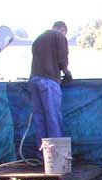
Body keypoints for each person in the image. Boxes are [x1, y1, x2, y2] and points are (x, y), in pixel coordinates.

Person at [29, 21, 72, 151]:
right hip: (48, 82)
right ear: (62, 30)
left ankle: (42, 156)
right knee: (53, 117)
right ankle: (57, 155)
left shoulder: (38, 39)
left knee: (39, 119)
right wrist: (66, 72)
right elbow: (62, 58)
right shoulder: (59, 36)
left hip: (34, 80)